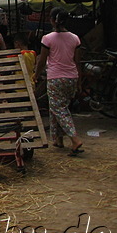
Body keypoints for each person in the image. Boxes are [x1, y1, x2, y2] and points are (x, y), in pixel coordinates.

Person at [34, 8, 84, 156]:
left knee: (59, 109)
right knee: (58, 107)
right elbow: (78, 62)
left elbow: (42, 60)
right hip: (71, 77)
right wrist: (79, 81)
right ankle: (58, 139)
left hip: (55, 78)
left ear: (51, 20)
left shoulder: (47, 38)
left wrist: (36, 75)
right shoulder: (75, 38)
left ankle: (75, 139)